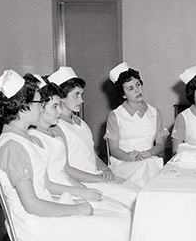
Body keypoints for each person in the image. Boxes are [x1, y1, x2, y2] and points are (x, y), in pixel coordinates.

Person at [0, 70, 131, 241]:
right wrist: (76, 210)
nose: (42, 106)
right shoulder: (12, 146)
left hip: (46, 211)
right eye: (38, 102)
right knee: (116, 230)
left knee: (122, 219)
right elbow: (32, 204)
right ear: (23, 107)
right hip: (34, 226)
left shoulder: (25, 138)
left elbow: (45, 184)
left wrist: (74, 198)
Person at [47, 66, 139, 208]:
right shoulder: (57, 128)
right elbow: (66, 169)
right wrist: (99, 179)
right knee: (132, 200)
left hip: (97, 177)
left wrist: (108, 172)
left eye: (81, 95)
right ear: (62, 98)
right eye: (76, 95)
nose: (81, 100)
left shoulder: (81, 124)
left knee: (137, 190)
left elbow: (94, 157)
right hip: (82, 183)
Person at [104, 62, 167, 188]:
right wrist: (131, 157)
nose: (137, 90)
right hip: (125, 163)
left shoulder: (154, 112)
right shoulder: (116, 115)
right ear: (123, 94)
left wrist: (148, 153)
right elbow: (114, 150)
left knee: (150, 167)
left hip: (149, 160)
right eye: (130, 88)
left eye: (138, 85)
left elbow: (160, 144)